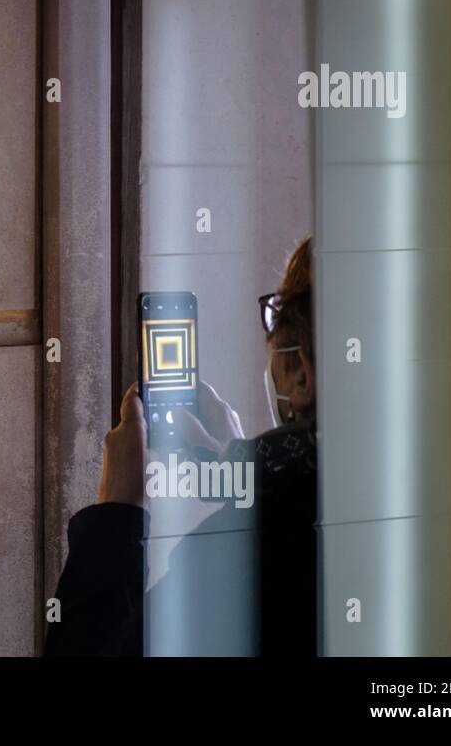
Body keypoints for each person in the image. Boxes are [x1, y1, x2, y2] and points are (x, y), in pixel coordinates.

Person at [44, 236, 317, 656]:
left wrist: (116, 512)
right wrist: (247, 473)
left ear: (301, 370)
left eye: (276, 319)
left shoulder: (245, 555)